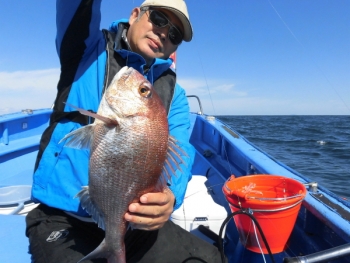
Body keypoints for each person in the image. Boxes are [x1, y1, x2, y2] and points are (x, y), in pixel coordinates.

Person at [25, 0, 223, 262]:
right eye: (159, 19)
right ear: (134, 15)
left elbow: (180, 148)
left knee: (208, 258)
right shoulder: (86, 51)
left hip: (131, 221)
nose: (164, 33)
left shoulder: (175, 93)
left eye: (174, 35)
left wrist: (170, 196)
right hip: (64, 217)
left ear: (174, 47)